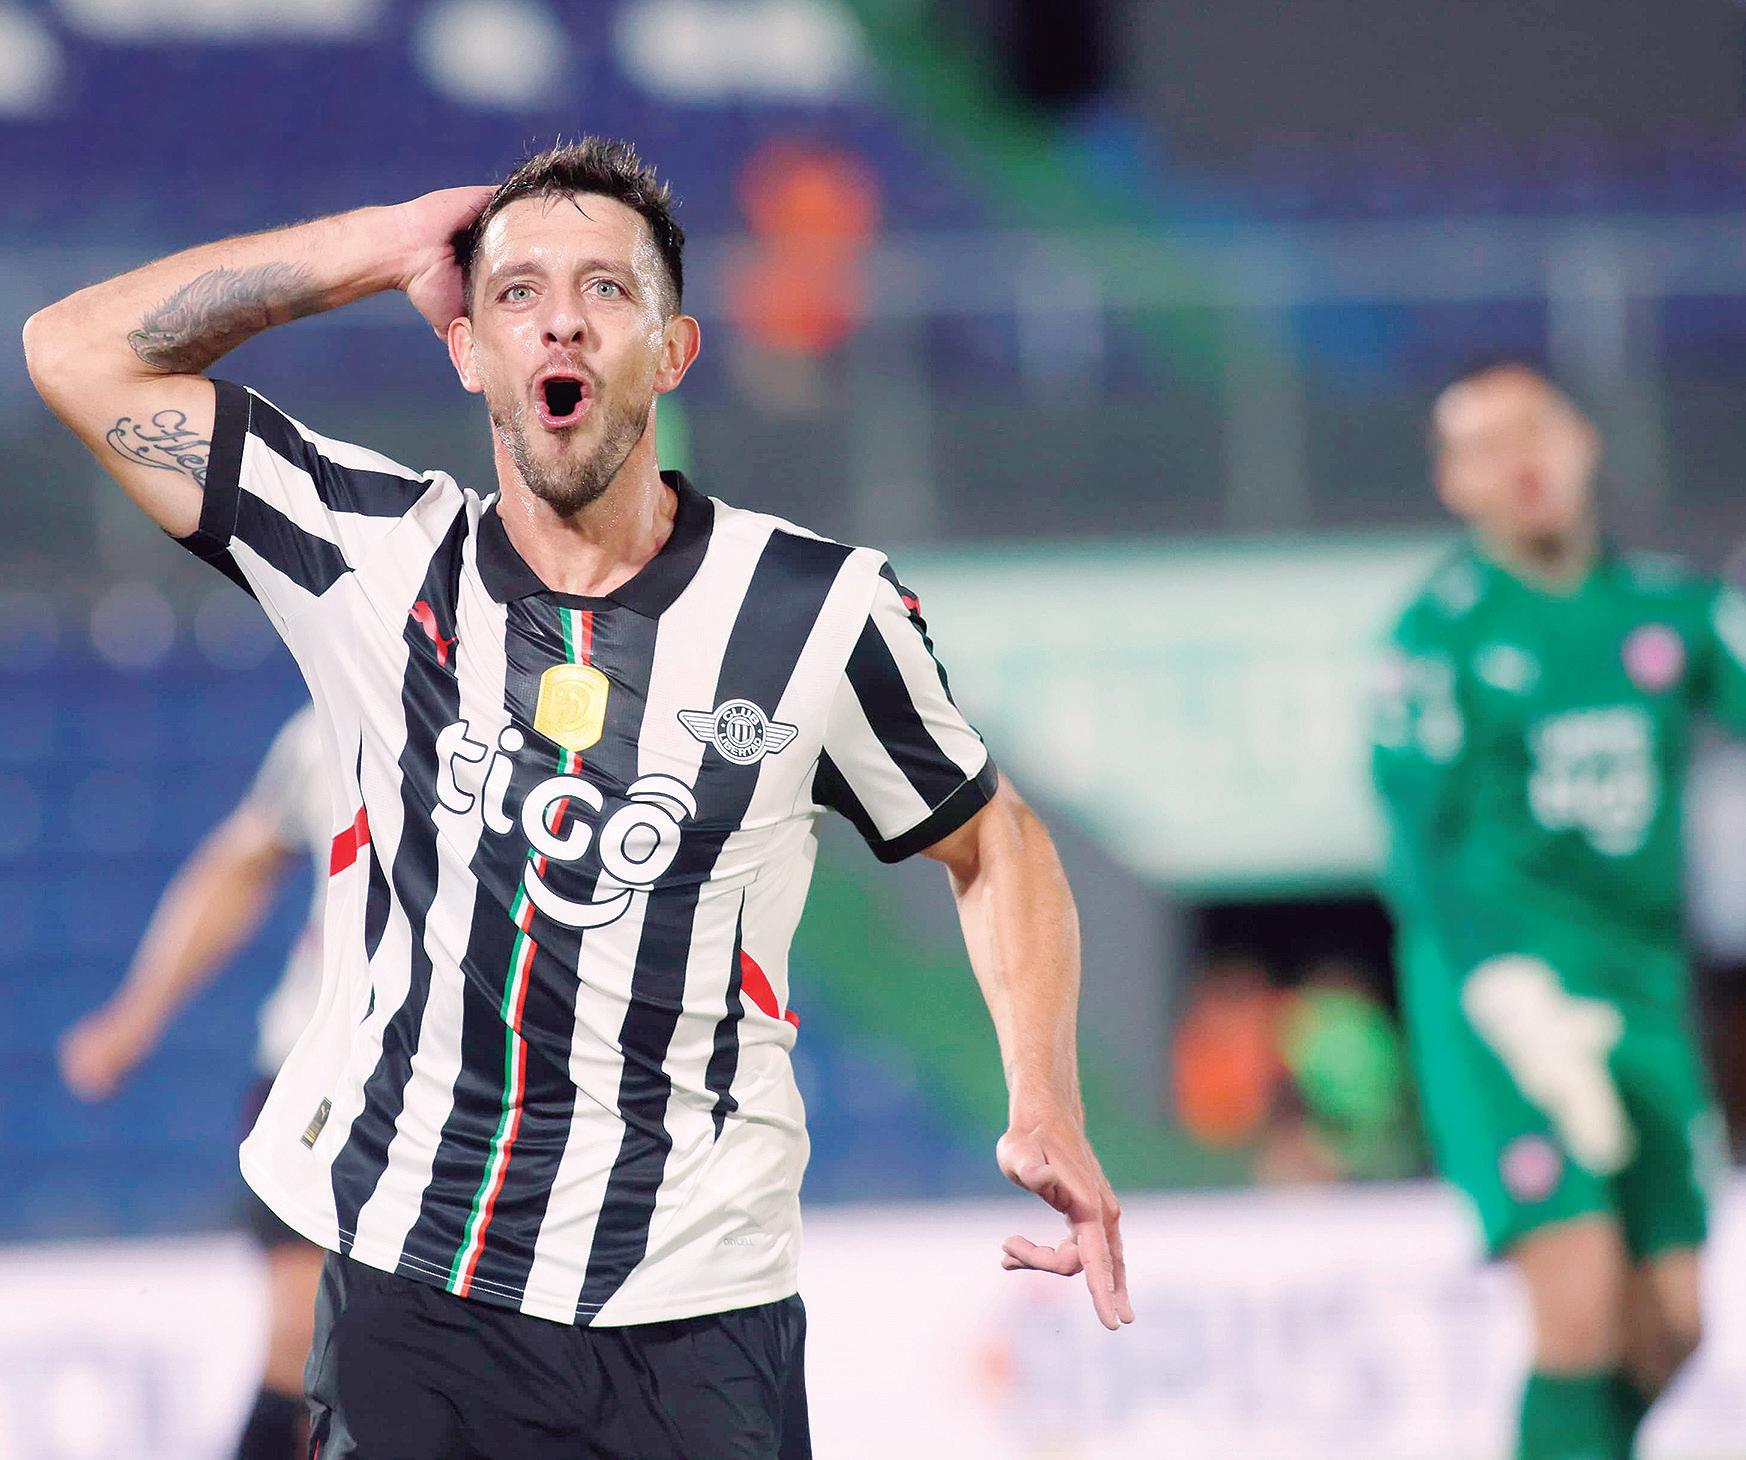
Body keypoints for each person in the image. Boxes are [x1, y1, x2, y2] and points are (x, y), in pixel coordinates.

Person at [23, 137, 1132, 1458]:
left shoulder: (819, 614)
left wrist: (1044, 1096)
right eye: (518, 291)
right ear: (466, 348)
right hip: (413, 1286)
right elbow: (74, 352)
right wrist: (381, 244)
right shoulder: (367, 555)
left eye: (607, 289)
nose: (560, 317)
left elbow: (992, 838)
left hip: (697, 1312)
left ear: (673, 352)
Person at [1371, 361, 1746, 1460]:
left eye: (1535, 429)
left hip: (1643, 992)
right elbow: (1418, 844)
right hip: (1503, 998)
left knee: (1670, 1324)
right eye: (1485, 446)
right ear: (1453, 481)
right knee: (1577, 1296)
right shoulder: (1439, 635)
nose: (1520, 461)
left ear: (1584, 440)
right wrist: (1503, 987)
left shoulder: (1668, 610)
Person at [59, 707, 328, 1460]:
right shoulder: (342, 714)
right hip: (324, 1078)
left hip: (504, 1096)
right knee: (305, 1339)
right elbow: (243, 860)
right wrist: (135, 1015)